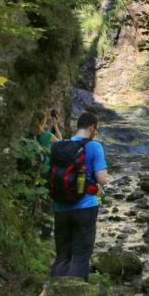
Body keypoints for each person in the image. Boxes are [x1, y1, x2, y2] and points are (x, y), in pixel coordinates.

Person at [50, 111, 108, 282]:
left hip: (60, 207)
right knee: (80, 256)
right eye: (95, 129)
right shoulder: (94, 146)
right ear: (92, 128)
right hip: (85, 208)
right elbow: (102, 180)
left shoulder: (59, 146)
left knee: (62, 256)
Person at [25, 108, 57, 176]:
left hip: (29, 170)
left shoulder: (27, 133)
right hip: (43, 170)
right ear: (43, 121)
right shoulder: (47, 135)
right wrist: (56, 126)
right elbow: (61, 142)